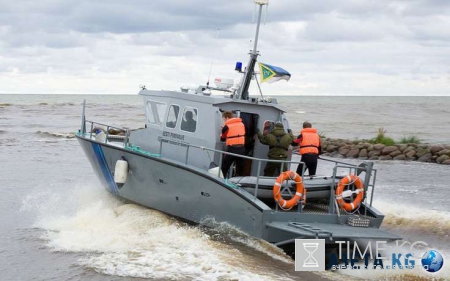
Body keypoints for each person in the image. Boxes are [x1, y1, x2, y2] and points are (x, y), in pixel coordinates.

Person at [220, 111, 246, 178]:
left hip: (232, 150)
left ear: (227, 118)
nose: (224, 121)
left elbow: (222, 139)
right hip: (242, 150)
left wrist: (223, 130)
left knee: (224, 168)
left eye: (224, 119)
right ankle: (239, 184)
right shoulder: (242, 124)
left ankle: (222, 182)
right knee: (240, 169)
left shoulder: (226, 127)